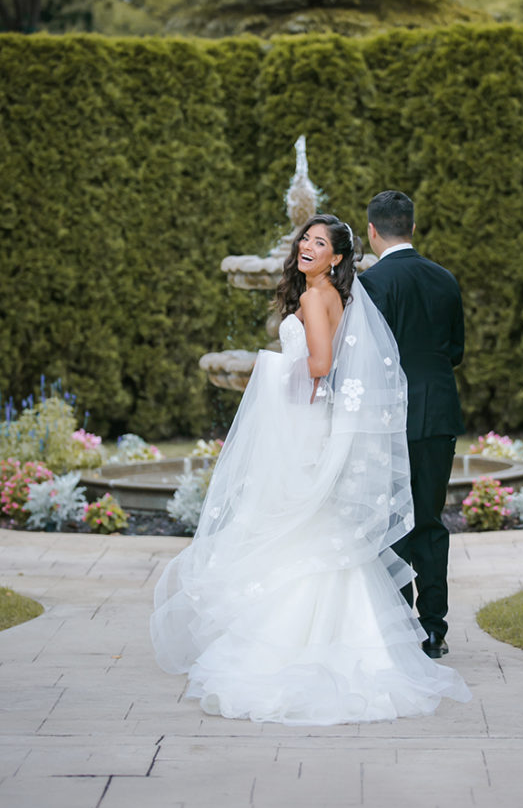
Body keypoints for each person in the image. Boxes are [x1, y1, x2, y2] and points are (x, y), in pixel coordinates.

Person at [151, 214, 470, 725]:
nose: (306, 245)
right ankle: (357, 638)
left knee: (295, 524)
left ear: (338, 257)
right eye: (306, 238)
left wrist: (273, 370)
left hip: (305, 424)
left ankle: (288, 643)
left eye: (319, 242)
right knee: (319, 527)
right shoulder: (340, 297)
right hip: (321, 420)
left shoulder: (312, 298)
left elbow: (320, 365)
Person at [360, 191, 465, 660]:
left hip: (389, 416)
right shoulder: (446, 279)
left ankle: (400, 624)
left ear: (372, 232)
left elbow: (365, 359)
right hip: (439, 413)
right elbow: (455, 352)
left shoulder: (370, 284)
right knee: (428, 519)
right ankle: (434, 629)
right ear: (414, 229)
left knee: (390, 519)